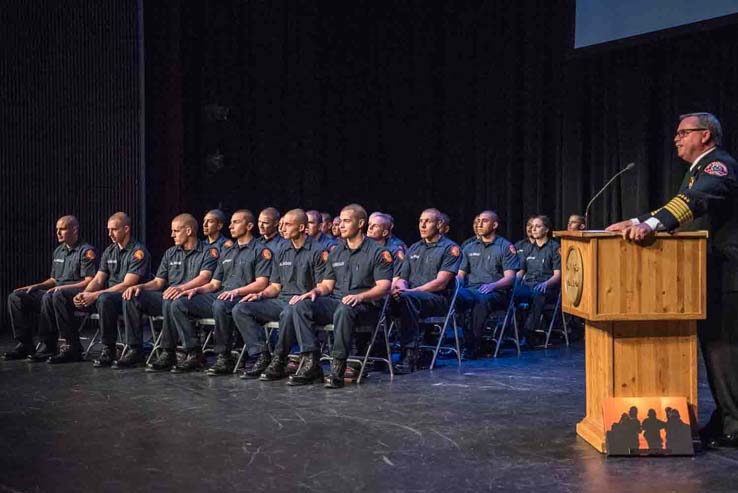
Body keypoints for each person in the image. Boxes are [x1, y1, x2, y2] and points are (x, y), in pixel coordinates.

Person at [606, 112, 738, 449]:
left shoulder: (718, 166)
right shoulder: (698, 169)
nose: (676, 138)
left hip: (729, 275)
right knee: (716, 349)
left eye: (683, 132)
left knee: (725, 350)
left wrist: (650, 226)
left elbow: (695, 203)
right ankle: (727, 416)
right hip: (713, 275)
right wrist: (637, 219)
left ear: (705, 135)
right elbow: (679, 206)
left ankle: (734, 424)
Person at [292, 204, 393, 387]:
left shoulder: (378, 252)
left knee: (345, 309)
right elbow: (327, 285)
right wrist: (315, 291)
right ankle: (310, 362)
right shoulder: (336, 252)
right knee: (301, 305)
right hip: (338, 303)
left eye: (347, 221)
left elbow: (384, 287)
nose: (342, 226)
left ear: (361, 223)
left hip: (366, 307)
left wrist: (361, 297)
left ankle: (338, 366)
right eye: (341, 221)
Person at [161, 210, 272, 373]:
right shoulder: (227, 251)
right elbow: (214, 284)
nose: (231, 226)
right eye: (231, 222)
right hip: (222, 295)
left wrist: (236, 291)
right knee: (179, 303)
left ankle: (223, 357)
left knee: (221, 304)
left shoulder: (260, 250)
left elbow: (262, 283)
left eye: (236, 222)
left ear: (249, 226)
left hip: (244, 296)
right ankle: (193, 352)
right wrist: (195, 290)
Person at [230, 209, 326, 379]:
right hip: (281, 300)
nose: (283, 228)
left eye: (288, 225)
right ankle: (261, 355)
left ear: (302, 227)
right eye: (282, 224)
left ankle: (279, 360)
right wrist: (260, 295)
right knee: (241, 308)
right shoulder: (281, 250)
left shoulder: (317, 250)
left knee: (290, 310)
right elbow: (275, 286)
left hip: (303, 304)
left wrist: (310, 293)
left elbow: (322, 287)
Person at [118, 214, 218, 368]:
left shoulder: (208, 251)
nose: (172, 235)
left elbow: (205, 277)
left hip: (192, 297)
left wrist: (181, 288)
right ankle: (134, 349)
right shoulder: (170, 252)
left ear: (189, 231)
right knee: (132, 297)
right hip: (168, 297)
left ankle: (171, 352)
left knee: (171, 299)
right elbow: (159, 282)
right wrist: (140, 286)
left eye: (176, 231)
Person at [4, 216, 97, 361]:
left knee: (53, 295)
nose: (58, 233)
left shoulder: (86, 251)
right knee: (16, 297)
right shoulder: (59, 251)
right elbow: (54, 279)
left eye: (63, 229)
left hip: (74, 294)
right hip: (55, 293)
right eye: (57, 229)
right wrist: (37, 286)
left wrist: (60, 288)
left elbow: (89, 282)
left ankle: (59, 345)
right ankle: (25, 344)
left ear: (74, 230)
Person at [65, 212, 150, 366]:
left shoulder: (138, 252)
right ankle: (91, 348)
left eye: (114, 229)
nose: (109, 233)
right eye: (108, 229)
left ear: (126, 229)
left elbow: (127, 284)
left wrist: (95, 295)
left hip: (131, 297)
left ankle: (127, 349)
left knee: (104, 299)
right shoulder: (109, 251)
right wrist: (85, 293)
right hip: (111, 297)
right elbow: (98, 279)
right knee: (76, 298)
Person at [390, 208, 462, 373]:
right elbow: (403, 278)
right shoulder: (414, 248)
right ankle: (376, 349)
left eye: (427, 221)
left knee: (408, 299)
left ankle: (409, 353)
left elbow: (441, 283)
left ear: (439, 224)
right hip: (412, 297)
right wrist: (400, 289)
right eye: (421, 221)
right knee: (386, 299)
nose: (422, 225)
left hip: (438, 299)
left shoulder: (450, 249)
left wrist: (411, 292)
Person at [456, 211, 519, 359]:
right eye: (478, 221)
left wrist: (493, 286)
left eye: (484, 221)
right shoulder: (469, 247)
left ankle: (474, 345)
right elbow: (460, 274)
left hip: (496, 292)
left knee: (481, 300)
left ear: (494, 225)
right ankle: (462, 341)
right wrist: (453, 283)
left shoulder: (505, 247)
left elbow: (510, 278)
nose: (479, 224)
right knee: (455, 296)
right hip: (471, 290)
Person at [515, 215, 561, 347]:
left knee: (538, 293)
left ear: (546, 230)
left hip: (547, 286)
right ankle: (514, 331)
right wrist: (513, 284)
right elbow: (521, 271)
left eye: (538, 226)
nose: (533, 229)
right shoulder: (528, 248)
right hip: (528, 284)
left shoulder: (554, 247)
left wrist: (545, 284)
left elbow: (557, 275)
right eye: (532, 226)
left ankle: (529, 332)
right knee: (512, 293)